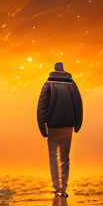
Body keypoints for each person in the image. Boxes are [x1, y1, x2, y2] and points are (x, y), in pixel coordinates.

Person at [36, 62, 83, 196]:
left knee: (53, 156)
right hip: (68, 125)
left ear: (55, 69)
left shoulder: (48, 84)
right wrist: (78, 124)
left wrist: (42, 127)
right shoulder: (71, 84)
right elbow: (78, 104)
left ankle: (57, 186)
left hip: (52, 126)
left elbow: (41, 107)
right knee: (64, 157)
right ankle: (64, 186)